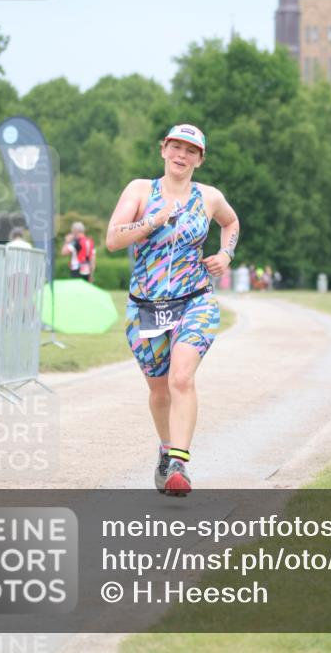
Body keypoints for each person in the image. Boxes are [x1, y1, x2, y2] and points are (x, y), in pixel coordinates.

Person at [106, 124, 239, 496]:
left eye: (190, 150)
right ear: (163, 149)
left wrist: (225, 254)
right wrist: (151, 221)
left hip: (194, 300)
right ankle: (166, 451)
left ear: (200, 158)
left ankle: (179, 463)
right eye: (176, 147)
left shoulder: (209, 197)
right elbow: (113, 239)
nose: (182, 155)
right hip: (145, 307)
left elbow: (230, 222)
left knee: (182, 378)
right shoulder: (140, 190)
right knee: (160, 389)